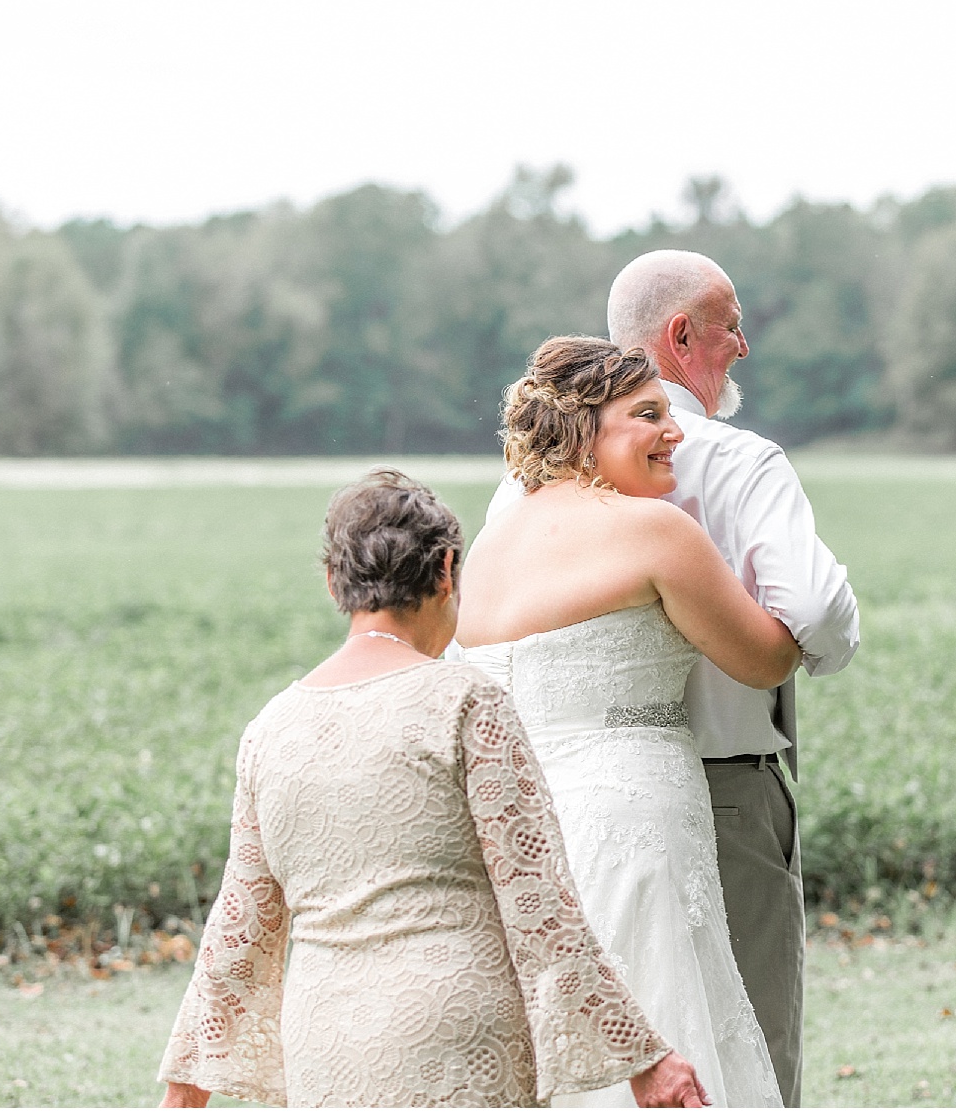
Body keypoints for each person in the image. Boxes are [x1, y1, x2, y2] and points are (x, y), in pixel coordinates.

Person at [156, 468, 709, 1108]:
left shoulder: (270, 728)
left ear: (335, 582)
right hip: (459, 1031)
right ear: (447, 571)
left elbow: (241, 921)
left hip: (323, 1040)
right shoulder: (469, 702)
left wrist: (186, 1087)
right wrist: (644, 1056)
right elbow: (540, 903)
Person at [484, 251, 860, 1106]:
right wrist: (829, 635)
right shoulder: (717, 476)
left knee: (570, 1047)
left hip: (540, 807)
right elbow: (804, 622)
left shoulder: (511, 505)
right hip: (696, 804)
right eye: (731, 324)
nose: (745, 345)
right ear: (681, 333)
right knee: (735, 1039)